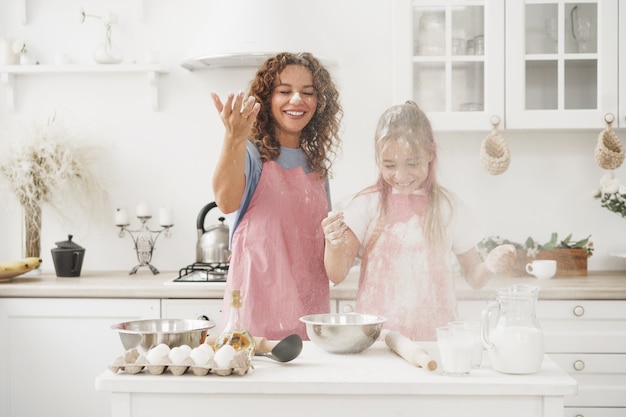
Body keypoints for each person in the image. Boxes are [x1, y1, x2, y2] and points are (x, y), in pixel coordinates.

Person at [322, 101, 515, 341]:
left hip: (437, 341)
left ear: (430, 154)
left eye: (412, 163)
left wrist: (489, 265)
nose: (401, 176)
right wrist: (333, 241)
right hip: (379, 341)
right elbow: (336, 274)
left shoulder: (447, 206)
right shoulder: (367, 205)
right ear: (377, 159)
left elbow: (475, 278)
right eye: (389, 165)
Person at [211, 52, 343, 340]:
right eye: (284, 91)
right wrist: (233, 138)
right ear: (267, 99)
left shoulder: (316, 166)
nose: (297, 100)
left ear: (318, 104)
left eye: (307, 93)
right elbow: (226, 201)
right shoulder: (250, 153)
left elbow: (326, 246)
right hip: (257, 312)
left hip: (310, 312)